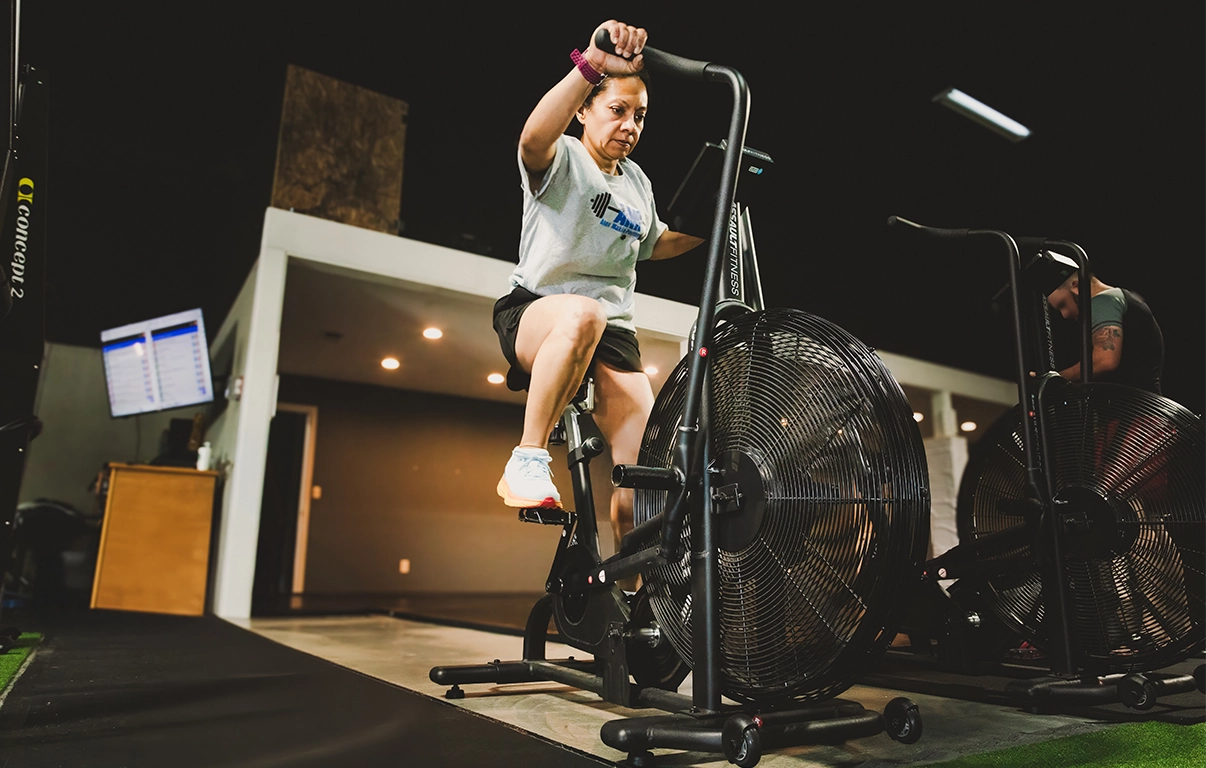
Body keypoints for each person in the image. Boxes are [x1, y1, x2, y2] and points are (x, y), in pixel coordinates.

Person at [492, 20, 704, 549]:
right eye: (617, 110)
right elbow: (530, 140)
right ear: (585, 109)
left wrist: (713, 218)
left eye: (641, 116)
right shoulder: (563, 157)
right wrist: (591, 62)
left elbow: (654, 243)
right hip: (538, 312)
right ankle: (527, 459)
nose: (631, 125)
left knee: (648, 477)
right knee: (584, 312)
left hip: (613, 334)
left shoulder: (637, 183)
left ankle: (639, 600)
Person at [1047, 272, 1164, 395]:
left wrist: (1054, 379)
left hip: (1137, 411)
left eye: (1063, 305)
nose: (1065, 315)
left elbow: (1105, 361)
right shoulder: (1121, 297)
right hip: (1145, 407)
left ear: (1076, 287)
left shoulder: (1103, 301)